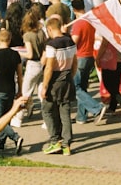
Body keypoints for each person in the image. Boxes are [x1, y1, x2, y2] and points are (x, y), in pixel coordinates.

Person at [40, 14, 77, 156]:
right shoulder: (70, 41)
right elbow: (75, 62)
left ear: (49, 29)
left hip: (54, 81)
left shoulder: (51, 45)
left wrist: (44, 86)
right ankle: (67, 144)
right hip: (67, 79)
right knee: (65, 112)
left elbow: (49, 67)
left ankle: (55, 141)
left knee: (48, 110)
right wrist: (70, 76)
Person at [0, 28, 24, 154]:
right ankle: (0, 143)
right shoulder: (15, 54)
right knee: (6, 117)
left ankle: (15, 137)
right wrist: (20, 90)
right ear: (10, 40)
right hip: (11, 89)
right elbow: (20, 75)